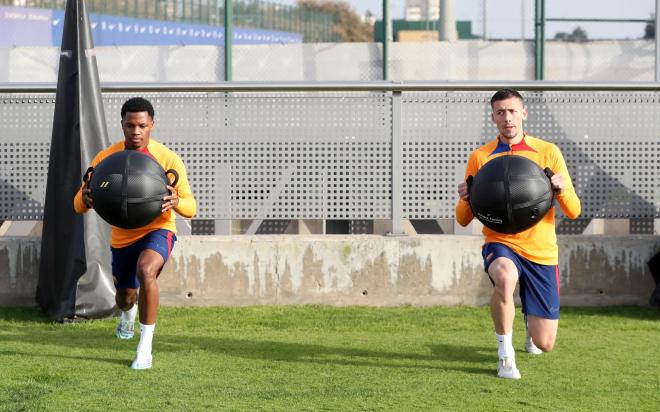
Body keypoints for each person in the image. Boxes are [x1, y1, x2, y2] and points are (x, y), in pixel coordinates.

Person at [455, 89, 581, 379]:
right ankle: (505, 356)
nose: (507, 118)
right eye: (500, 112)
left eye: (512, 111)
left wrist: (561, 190)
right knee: (504, 276)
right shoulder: (481, 157)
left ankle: (528, 323)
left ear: (524, 114)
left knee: (544, 343)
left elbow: (574, 210)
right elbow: (462, 220)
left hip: (541, 250)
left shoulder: (548, 152)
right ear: (493, 118)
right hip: (501, 243)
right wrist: (466, 197)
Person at [74, 97, 196, 370]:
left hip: (159, 229)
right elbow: (78, 205)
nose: (136, 131)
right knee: (125, 296)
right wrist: (86, 197)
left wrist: (177, 202)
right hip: (123, 237)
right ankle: (128, 315)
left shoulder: (168, 159)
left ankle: (145, 348)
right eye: (130, 125)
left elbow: (192, 208)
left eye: (142, 125)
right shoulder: (106, 158)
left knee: (146, 270)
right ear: (122, 125)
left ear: (152, 124)